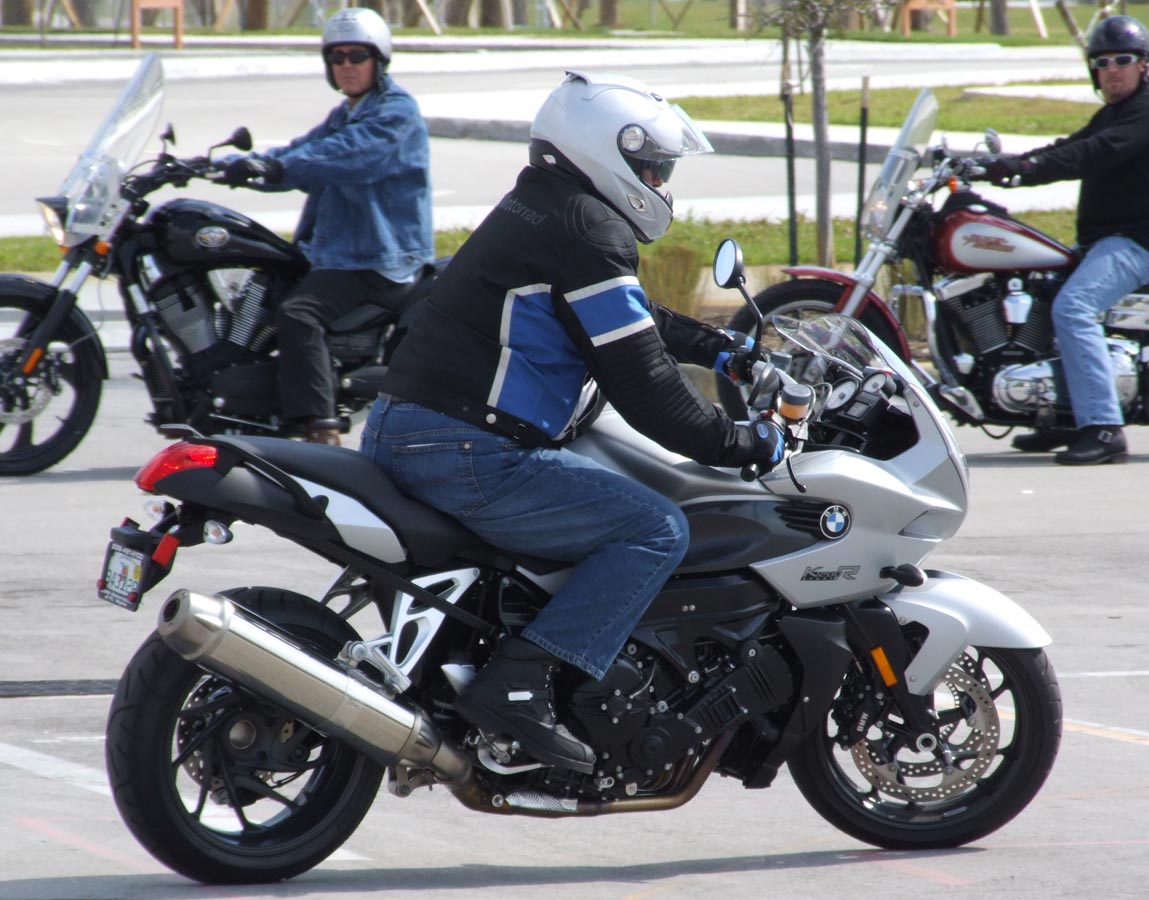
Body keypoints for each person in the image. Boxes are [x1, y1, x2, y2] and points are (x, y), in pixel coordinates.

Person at [360, 71, 783, 773]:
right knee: (655, 528)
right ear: (607, 150)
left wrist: (719, 347)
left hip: (416, 430)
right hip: (468, 449)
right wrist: (742, 442)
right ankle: (519, 684)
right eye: (653, 166)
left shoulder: (547, 208)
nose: (659, 181)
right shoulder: (588, 227)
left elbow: (623, 317)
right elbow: (646, 390)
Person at [984, 15, 1149, 465]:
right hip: (1111, 239)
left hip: (1146, 241)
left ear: (1143, 64)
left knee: (1073, 307)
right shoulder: (1113, 113)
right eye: (1102, 62)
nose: (1112, 69)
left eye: (1123, 59)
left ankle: (1103, 428)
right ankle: (1060, 415)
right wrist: (1008, 165)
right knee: (1042, 292)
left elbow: (1093, 152)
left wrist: (1026, 170)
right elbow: (1070, 145)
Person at [221, 7, 433, 446]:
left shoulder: (395, 113)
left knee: (299, 314)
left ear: (379, 60)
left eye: (357, 56)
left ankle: (321, 426)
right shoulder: (346, 113)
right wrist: (226, 165)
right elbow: (302, 150)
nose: (347, 65)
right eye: (337, 57)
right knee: (259, 290)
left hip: (376, 258)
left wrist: (276, 167)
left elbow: (343, 155)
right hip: (339, 252)